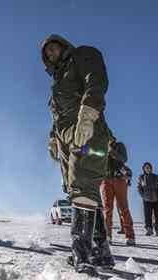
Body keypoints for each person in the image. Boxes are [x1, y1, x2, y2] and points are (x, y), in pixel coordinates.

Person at [42, 34, 114, 273]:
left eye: (54, 48)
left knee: (84, 186)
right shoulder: (57, 83)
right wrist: (54, 139)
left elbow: (96, 80)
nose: (51, 53)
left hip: (88, 132)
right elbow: (58, 118)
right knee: (79, 190)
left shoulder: (81, 55)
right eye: (47, 53)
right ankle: (100, 250)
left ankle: (81, 252)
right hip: (69, 142)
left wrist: (88, 113)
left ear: (64, 47)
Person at [100, 139, 135, 245]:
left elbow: (124, 158)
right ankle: (107, 236)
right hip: (105, 180)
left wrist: (111, 151)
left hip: (119, 180)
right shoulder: (100, 147)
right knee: (107, 209)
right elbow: (90, 152)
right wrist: (81, 147)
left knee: (123, 208)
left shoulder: (119, 145)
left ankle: (130, 236)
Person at [138, 162, 158, 236]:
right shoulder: (141, 177)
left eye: (149, 167)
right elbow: (139, 188)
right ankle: (149, 230)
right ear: (144, 169)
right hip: (147, 200)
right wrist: (143, 195)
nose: (147, 169)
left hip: (157, 200)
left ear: (151, 168)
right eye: (146, 168)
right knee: (147, 216)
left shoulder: (156, 177)